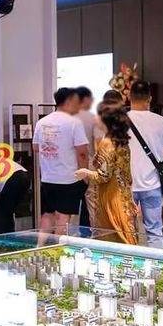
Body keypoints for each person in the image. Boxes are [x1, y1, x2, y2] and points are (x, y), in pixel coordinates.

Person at [75, 103, 137, 244]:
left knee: (111, 237)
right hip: (123, 195)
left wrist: (86, 172)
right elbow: (126, 174)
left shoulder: (107, 143)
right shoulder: (121, 141)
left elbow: (104, 176)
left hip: (110, 197)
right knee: (126, 235)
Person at [33, 88, 89, 235]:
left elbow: (36, 147)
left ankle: (40, 245)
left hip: (47, 177)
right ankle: (58, 247)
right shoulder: (74, 123)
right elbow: (82, 153)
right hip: (68, 178)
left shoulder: (42, 122)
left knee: (48, 214)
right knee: (63, 216)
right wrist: (85, 174)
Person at [127, 81, 163, 247]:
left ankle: (129, 262)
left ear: (129, 96)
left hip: (126, 185)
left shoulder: (119, 121)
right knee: (154, 230)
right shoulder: (161, 121)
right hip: (152, 184)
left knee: (127, 230)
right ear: (150, 98)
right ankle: (156, 262)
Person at [75, 87, 98, 230]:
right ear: (87, 99)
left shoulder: (67, 117)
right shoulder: (93, 118)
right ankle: (90, 233)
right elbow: (98, 143)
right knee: (90, 203)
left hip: (68, 167)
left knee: (68, 208)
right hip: (88, 164)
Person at [0, 161, 29, 234]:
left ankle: (4, 236)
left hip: (12, 177)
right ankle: (8, 235)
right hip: (22, 173)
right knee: (8, 211)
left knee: (3, 212)